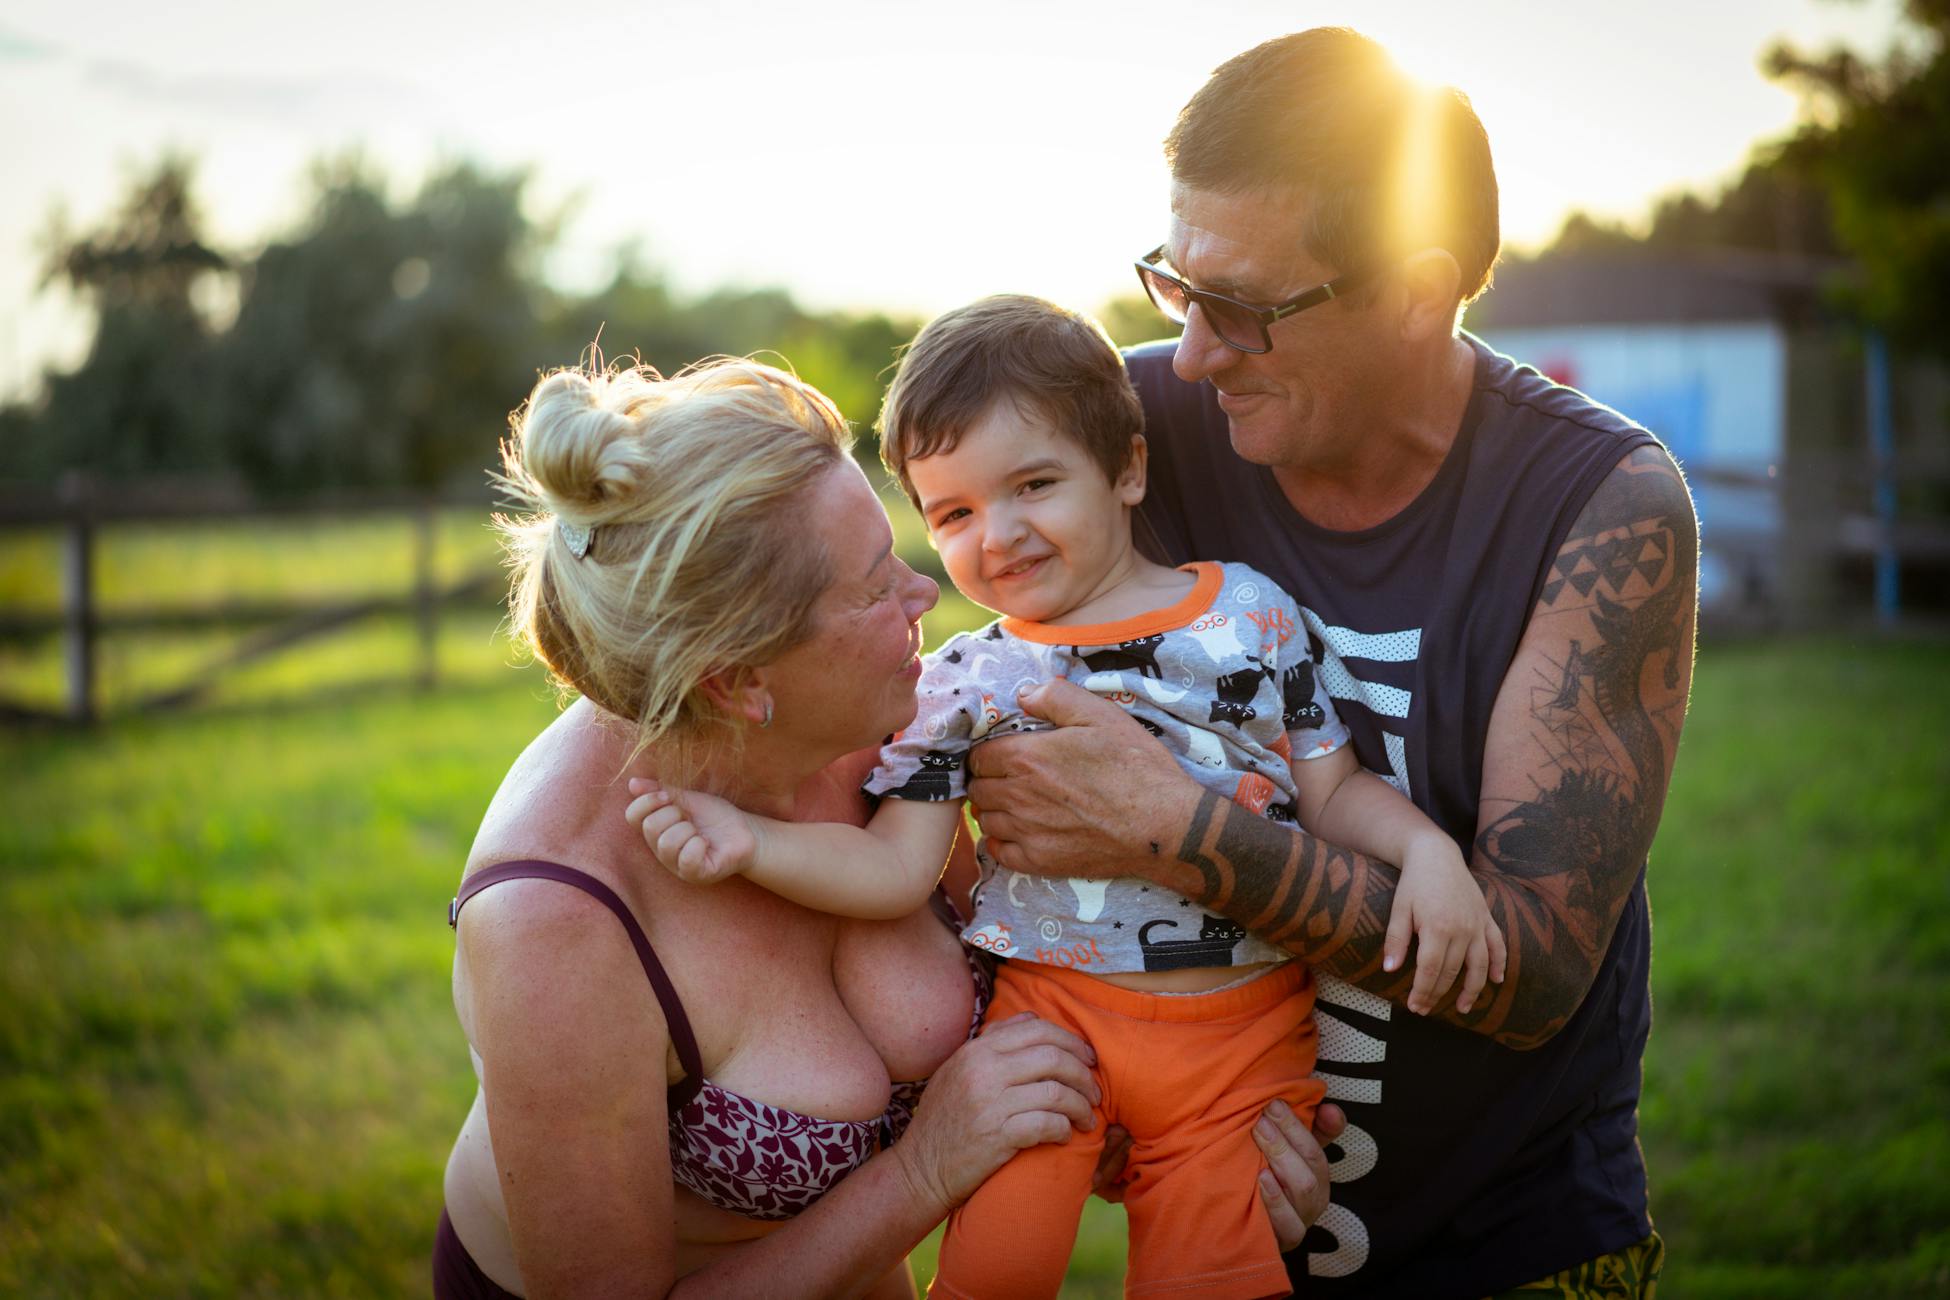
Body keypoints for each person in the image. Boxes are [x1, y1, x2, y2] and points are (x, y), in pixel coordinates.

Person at [962, 29, 1697, 1299]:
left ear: (1417, 290)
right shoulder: (1133, 439)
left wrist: (1181, 831)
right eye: (1174, 287)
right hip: (1227, 1206)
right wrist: (1124, 1111)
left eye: (1243, 309)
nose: (1191, 355)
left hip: (1507, 1246)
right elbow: (949, 740)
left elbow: (1526, 974)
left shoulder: (1598, 505)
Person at [624, 295, 1503, 1300]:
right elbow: (893, 866)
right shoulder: (962, 681)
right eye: (951, 512)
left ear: (1126, 468)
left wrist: (1431, 853)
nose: (998, 534)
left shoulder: (1249, 615)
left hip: (1240, 1051)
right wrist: (746, 843)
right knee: (993, 1274)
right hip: (1049, 1037)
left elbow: (1334, 789)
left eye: (1033, 483)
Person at [436, 355, 1331, 1297]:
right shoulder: (557, 920)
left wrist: (1190, 1140)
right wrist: (921, 1173)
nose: (925, 599)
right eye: (872, 589)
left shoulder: (891, 724)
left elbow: (1064, 962)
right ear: (738, 683)